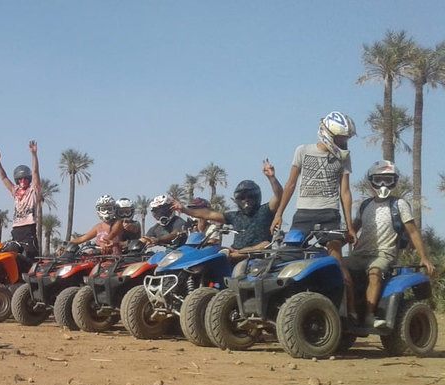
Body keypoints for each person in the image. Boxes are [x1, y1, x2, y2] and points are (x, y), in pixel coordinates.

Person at [270, 110, 358, 317]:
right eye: (340, 138)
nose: (344, 143)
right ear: (327, 133)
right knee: (287, 256)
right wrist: (279, 214)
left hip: (330, 214)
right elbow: (291, 184)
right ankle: (283, 306)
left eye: (346, 139)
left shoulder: (344, 158)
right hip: (303, 215)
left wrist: (350, 226)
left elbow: (345, 192)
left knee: (336, 260)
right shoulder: (303, 150)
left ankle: (351, 312)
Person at [344, 161, 434, 328]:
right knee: (335, 266)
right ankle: (348, 312)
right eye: (379, 179)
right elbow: (353, 230)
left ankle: (370, 315)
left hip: (383, 254)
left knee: (375, 272)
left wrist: (424, 257)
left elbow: (413, 231)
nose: (383, 184)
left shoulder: (399, 205)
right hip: (359, 254)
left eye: (388, 179)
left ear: (394, 181)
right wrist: (336, 242)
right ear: (371, 181)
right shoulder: (364, 205)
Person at [175, 160, 283, 261]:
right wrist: (184, 210)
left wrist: (272, 178)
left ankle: (232, 255)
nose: (246, 200)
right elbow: (208, 214)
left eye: (250, 196)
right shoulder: (234, 216)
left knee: (264, 244)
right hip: (233, 255)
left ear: (256, 196)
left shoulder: (265, 210)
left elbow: (279, 196)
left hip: (255, 257)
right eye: (243, 197)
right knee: (209, 253)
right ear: (238, 199)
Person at [0, 140, 42, 260]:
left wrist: (34, 155)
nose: (23, 181)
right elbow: (3, 177)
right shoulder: (15, 191)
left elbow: (36, 172)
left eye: (26, 178)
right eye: (20, 179)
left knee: (32, 256)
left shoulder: (33, 190)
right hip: (16, 229)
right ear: (17, 180)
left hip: (29, 228)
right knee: (11, 256)